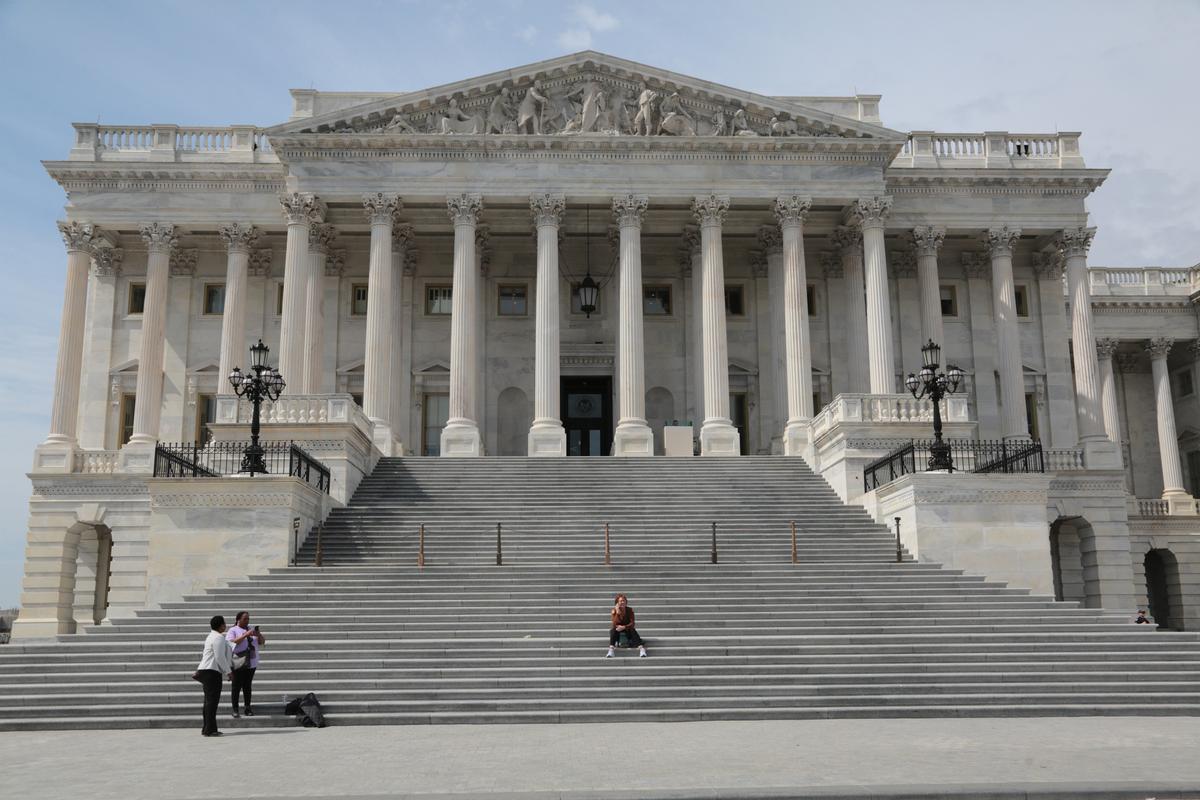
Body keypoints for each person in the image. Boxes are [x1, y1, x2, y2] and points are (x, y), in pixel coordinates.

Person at [195, 615, 233, 737]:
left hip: (206, 671)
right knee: (212, 702)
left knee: (208, 701)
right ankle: (210, 729)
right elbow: (219, 657)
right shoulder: (218, 637)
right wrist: (228, 671)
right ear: (221, 625)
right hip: (211, 672)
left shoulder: (211, 636)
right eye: (224, 623)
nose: (225, 625)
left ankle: (207, 728)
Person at [226, 611, 265, 718]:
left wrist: (259, 634)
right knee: (236, 686)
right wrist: (245, 635)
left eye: (248, 619)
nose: (247, 621)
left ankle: (247, 707)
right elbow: (231, 642)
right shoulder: (233, 630)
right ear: (238, 619)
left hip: (251, 662)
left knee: (247, 686)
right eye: (245, 619)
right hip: (239, 661)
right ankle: (235, 709)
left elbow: (261, 642)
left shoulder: (251, 629)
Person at [606, 593, 647, 658]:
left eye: (624, 601)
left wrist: (624, 627)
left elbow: (632, 623)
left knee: (632, 630)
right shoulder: (614, 611)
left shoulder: (630, 610)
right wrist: (617, 612)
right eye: (620, 601)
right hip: (618, 631)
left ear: (626, 602)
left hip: (628, 630)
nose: (622, 602)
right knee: (613, 630)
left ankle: (642, 649)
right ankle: (611, 650)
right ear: (617, 603)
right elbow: (614, 624)